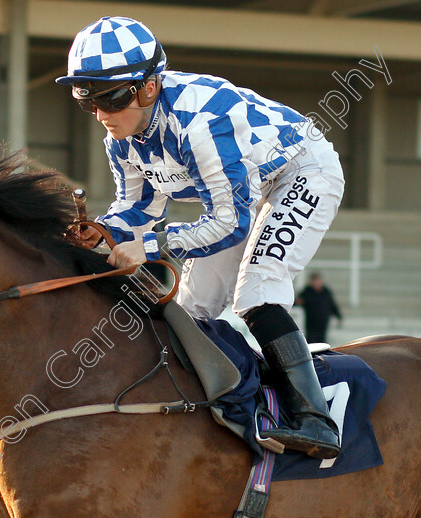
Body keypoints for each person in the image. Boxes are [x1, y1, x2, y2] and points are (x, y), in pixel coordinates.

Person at [57, 17, 346, 459]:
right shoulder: (121, 138)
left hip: (302, 172)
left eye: (109, 99)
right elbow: (140, 209)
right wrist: (103, 231)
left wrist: (149, 246)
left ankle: (315, 420)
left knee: (257, 289)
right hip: (243, 194)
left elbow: (230, 224)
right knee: (189, 309)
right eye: (87, 101)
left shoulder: (200, 122)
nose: (100, 114)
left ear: (148, 87)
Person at [296, 272, 343, 344]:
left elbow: (332, 305)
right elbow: (297, 302)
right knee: (311, 342)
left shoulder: (326, 291)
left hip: (323, 323)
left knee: (322, 342)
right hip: (311, 324)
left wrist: (338, 316)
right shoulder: (307, 291)